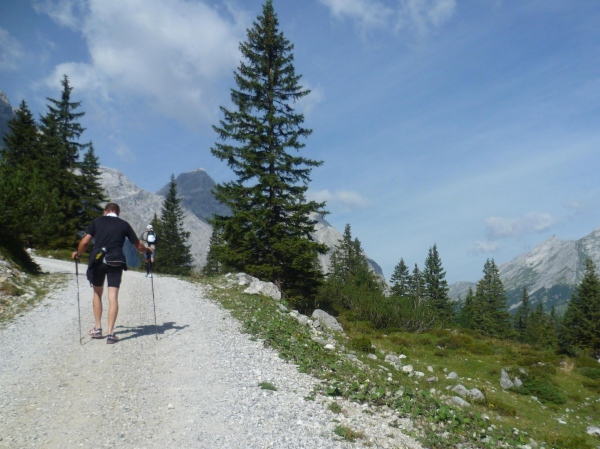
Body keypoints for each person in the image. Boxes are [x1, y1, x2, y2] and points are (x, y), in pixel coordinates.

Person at [72, 203, 153, 344]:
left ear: (105, 211)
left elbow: (85, 242)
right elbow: (138, 246)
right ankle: (110, 334)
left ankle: (98, 328)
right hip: (116, 260)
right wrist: (147, 251)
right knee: (113, 296)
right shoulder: (124, 224)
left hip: (98, 260)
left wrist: (77, 254)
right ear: (118, 212)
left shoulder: (96, 222)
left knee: (97, 293)